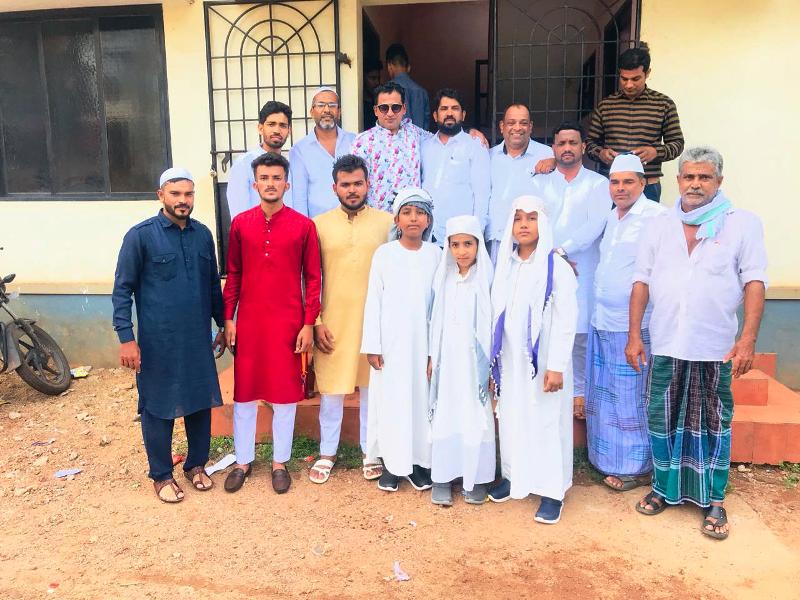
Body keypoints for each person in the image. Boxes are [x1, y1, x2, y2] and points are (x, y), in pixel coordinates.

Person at [626, 146, 767, 540]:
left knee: (714, 423)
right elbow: (641, 281)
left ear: (719, 181)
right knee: (662, 418)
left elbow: (754, 282)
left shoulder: (742, 224)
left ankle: (714, 500)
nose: (695, 184)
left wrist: (747, 340)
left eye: (704, 177)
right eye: (688, 176)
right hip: (666, 342)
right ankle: (662, 489)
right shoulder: (659, 224)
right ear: (677, 181)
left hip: (714, 346)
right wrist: (635, 335)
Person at [112, 167, 225, 503]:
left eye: (188, 194)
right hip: (157, 342)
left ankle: (196, 465)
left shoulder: (202, 235)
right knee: (157, 406)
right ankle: (161, 475)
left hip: (197, 339)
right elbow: (122, 290)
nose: (182, 200)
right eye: (175, 194)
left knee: (200, 402)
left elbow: (212, 285)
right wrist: (126, 338)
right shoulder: (140, 236)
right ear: (161, 195)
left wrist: (222, 324)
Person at [222, 152, 321, 495]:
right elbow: (234, 274)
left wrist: (308, 324)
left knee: (284, 395)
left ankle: (280, 462)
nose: (270, 183)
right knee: (245, 393)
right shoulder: (241, 224)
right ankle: (242, 461)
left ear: (286, 184)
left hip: (288, 325)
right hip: (250, 323)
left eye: (276, 178)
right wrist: (229, 318)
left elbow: (313, 279)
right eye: (264, 178)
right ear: (255, 184)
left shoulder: (303, 226)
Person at [487, 195, 578, 524]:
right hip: (511, 361)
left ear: (544, 222)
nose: (524, 224)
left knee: (546, 421)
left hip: (543, 364)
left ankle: (552, 490)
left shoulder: (557, 266)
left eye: (531, 217)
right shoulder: (506, 264)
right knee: (512, 417)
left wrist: (556, 366)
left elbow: (567, 319)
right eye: (518, 218)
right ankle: (513, 477)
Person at [309, 155, 394, 484]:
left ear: (368, 184)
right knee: (332, 388)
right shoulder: (318, 225)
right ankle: (327, 452)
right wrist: (316, 320)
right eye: (345, 184)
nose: (352, 190)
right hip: (333, 321)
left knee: (372, 388)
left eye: (358, 183)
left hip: (375, 320)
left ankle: (370, 450)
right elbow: (310, 277)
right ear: (335, 188)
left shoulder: (387, 223)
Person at [585, 154, 666, 492]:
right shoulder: (612, 217)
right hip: (603, 320)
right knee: (606, 394)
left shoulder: (657, 218)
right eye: (615, 182)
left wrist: (636, 334)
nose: (620, 188)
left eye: (628, 181)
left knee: (632, 396)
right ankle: (606, 459)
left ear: (643, 184)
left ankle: (639, 467)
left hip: (634, 326)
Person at [361, 188, 441, 492]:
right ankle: (392, 465)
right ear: (396, 219)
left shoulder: (436, 255)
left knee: (420, 403)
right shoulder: (384, 254)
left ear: (428, 220)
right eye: (407, 212)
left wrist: (434, 352)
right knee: (391, 402)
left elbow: (439, 306)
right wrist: (373, 345)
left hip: (423, 345)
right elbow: (374, 301)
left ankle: (419, 463)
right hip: (391, 346)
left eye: (420, 213)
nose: (413, 218)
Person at [531, 122, 610, 421]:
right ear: (553, 147)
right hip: (546, 265)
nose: (567, 148)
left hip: (582, 267)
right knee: (549, 327)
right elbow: (532, 224)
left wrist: (563, 252)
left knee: (579, 332)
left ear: (583, 147)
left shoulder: (598, 184)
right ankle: (550, 390)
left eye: (572, 143)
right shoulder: (540, 184)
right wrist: (549, 255)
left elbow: (595, 224)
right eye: (561, 143)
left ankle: (580, 395)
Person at [428, 215, 496, 506]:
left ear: (478, 245)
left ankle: (476, 479)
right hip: (447, 360)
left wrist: (492, 366)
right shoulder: (443, 278)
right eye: (455, 245)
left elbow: (493, 324)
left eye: (468, 243)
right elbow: (435, 321)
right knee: (447, 414)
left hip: (474, 362)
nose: (461, 251)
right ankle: (442, 477)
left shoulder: (487, 279)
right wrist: (432, 356)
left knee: (474, 416)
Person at [352, 83, 487, 213]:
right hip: (378, 220)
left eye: (396, 107)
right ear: (375, 110)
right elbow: (354, 184)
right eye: (384, 108)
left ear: (404, 109)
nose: (390, 113)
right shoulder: (362, 142)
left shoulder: (415, 134)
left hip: (413, 221)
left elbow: (445, 134)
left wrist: (470, 131)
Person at [585, 45, 684, 202]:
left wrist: (655, 152)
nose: (629, 85)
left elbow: (677, 143)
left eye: (635, 79)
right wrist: (601, 153)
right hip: (612, 184)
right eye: (624, 79)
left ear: (647, 73)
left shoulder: (664, 104)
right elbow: (590, 144)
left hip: (647, 186)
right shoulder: (606, 105)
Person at [422, 88, 490, 246]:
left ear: (463, 115)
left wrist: (476, 233)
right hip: (427, 235)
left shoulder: (475, 146)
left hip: (461, 237)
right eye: (444, 109)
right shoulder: (424, 145)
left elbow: (482, 194)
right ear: (435, 115)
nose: (449, 113)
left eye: (455, 108)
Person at [487, 104, 553, 261]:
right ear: (502, 126)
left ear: (530, 127)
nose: (517, 128)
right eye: (511, 123)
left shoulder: (547, 155)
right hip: (496, 238)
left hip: (531, 242)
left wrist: (555, 162)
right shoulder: (489, 156)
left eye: (523, 123)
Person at [288, 87, 356, 218]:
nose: (327, 110)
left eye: (332, 105)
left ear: (339, 112)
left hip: (354, 220)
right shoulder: (299, 150)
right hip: (318, 223)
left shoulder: (355, 142)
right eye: (320, 105)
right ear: (312, 112)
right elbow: (299, 197)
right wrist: (305, 227)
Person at [226, 101, 292, 219]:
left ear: (289, 131)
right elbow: (239, 215)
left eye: (282, 125)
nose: (277, 130)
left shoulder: (291, 164)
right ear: (260, 128)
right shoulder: (244, 164)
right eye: (271, 124)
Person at [386, 43, 430, 130]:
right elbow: (426, 125)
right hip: (419, 138)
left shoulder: (386, 91)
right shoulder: (422, 92)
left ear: (390, 65)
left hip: (396, 138)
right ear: (408, 67)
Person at [363, 59, 382, 130]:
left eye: (378, 78)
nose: (377, 82)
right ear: (363, 78)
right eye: (373, 78)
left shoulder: (380, 102)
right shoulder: (358, 105)